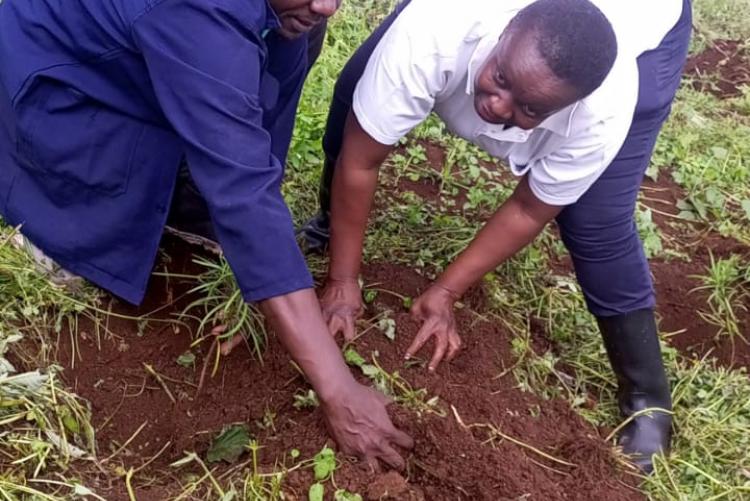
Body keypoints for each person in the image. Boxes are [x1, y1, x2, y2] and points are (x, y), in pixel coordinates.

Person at [0, 0, 412, 468]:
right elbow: (241, 186)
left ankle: (193, 204)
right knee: (90, 217)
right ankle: (53, 216)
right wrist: (338, 389)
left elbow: (253, 152)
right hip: (63, 80)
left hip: (158, 43)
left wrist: (255, 251)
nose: (328, 5)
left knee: (295, 33)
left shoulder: (289, 11)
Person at [299, 0, 691, 473]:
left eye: (529, 108)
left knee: (595, 220)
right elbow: (362, 160)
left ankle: (648, 396)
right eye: (500, 79)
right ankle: (330, 228)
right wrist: (343, 281)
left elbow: (529, 207)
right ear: (504, 32)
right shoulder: (434, 31)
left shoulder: (603, 110)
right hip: (463, 33)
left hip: (642, 20)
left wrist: (446, 291)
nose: (496, 107)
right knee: (356, 101)